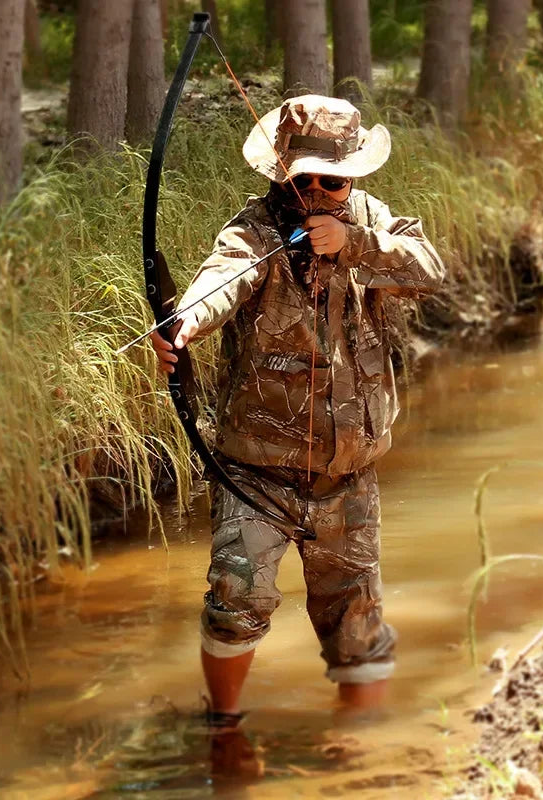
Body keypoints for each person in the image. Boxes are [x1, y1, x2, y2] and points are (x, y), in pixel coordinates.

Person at [151, 95, 445, 723]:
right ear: (281, 171)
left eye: (330, 179)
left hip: (349, 474)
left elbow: (430, 270)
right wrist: (183, 327)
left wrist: (355, 243)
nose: (314, 190)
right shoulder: (254, 230)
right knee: (236, 603)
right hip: (256, 471)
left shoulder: (371, 220)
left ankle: (358, 761)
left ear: (352, 176)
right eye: (300, 176)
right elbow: (218, 283)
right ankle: (223, 733)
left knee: (357, 626)